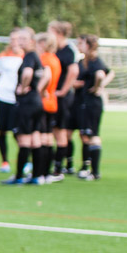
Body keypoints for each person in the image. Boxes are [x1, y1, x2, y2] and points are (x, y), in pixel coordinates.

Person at [3, 28, 50, 185]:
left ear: (32, 41)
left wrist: (23, 87)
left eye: (23, 38)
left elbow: (28, 73)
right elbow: (46, 74)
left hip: (27, 103)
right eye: (19, 38)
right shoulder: (36, 56)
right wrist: (40, 90)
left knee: (24, 140)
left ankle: (18, 177)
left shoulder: (30, 56)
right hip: (36, 102)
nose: (20, 41)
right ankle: (37, 176)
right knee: (35, 139)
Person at [74, 34, 113, 180]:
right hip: (85, 102)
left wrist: (98, 87)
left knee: (93, 136)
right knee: (85, 136)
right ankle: (86, 167)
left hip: (92, 103)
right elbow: (110, 72)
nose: (78, 46)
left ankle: (95, 172)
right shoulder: (84, 61)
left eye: (81, 43)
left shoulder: (94, 61)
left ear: (88, 45)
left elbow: (101, 75)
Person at [0, 33, 24, 174]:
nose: (14, 42)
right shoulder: (4, 55)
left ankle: (25, 160)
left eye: (17, 39)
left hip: (16, 98)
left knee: (17, 131)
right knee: (2, 130)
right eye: (12, 39)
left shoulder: (25, 56)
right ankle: (4, 161)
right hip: (2, 96)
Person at [50, 21, 80, 173]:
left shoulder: (69, 50)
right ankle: (61, 165)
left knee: (60, 131)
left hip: (62, 98)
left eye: (51, 31)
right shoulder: (55, 49)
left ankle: (58, 168)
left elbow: (73, 71)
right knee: (55, 131)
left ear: (59, 33)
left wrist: (63, 90)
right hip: (52, 96)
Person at [35, 32, 63, 183]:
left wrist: (39, 90)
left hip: (42, 101)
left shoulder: (44, 59)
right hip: (52, 101)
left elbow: (47, 77)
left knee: (40, 138)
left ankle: (38, 173)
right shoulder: (55, 59)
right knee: (47, 138)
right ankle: (46, 173)